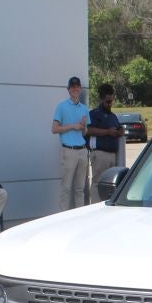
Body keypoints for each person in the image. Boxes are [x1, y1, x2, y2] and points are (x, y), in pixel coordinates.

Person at [52, 75, 90, 210]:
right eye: (72, 87)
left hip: (82, 150)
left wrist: (83, 126)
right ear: (68, 89)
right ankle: (63, 217)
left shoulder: (84, 108)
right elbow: (54, 129)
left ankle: (79, 217)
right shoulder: (61, 106)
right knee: (66, 187)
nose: (75, 89)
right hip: (69, 151)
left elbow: (85, 132)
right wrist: (73, 126)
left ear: (80, 88)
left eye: (77, 86)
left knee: (80, 188)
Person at [86, 82, 125, 188]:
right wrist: (107, 132)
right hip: (100, 154)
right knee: (98, 183)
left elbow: (117, 128)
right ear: (101, 99)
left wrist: (120, 131)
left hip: (113, 155)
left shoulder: (113, 116)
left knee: (110, 185)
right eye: (108, 101)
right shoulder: (93, 114)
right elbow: (88, 130)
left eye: (112, 101)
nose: (110, 104)